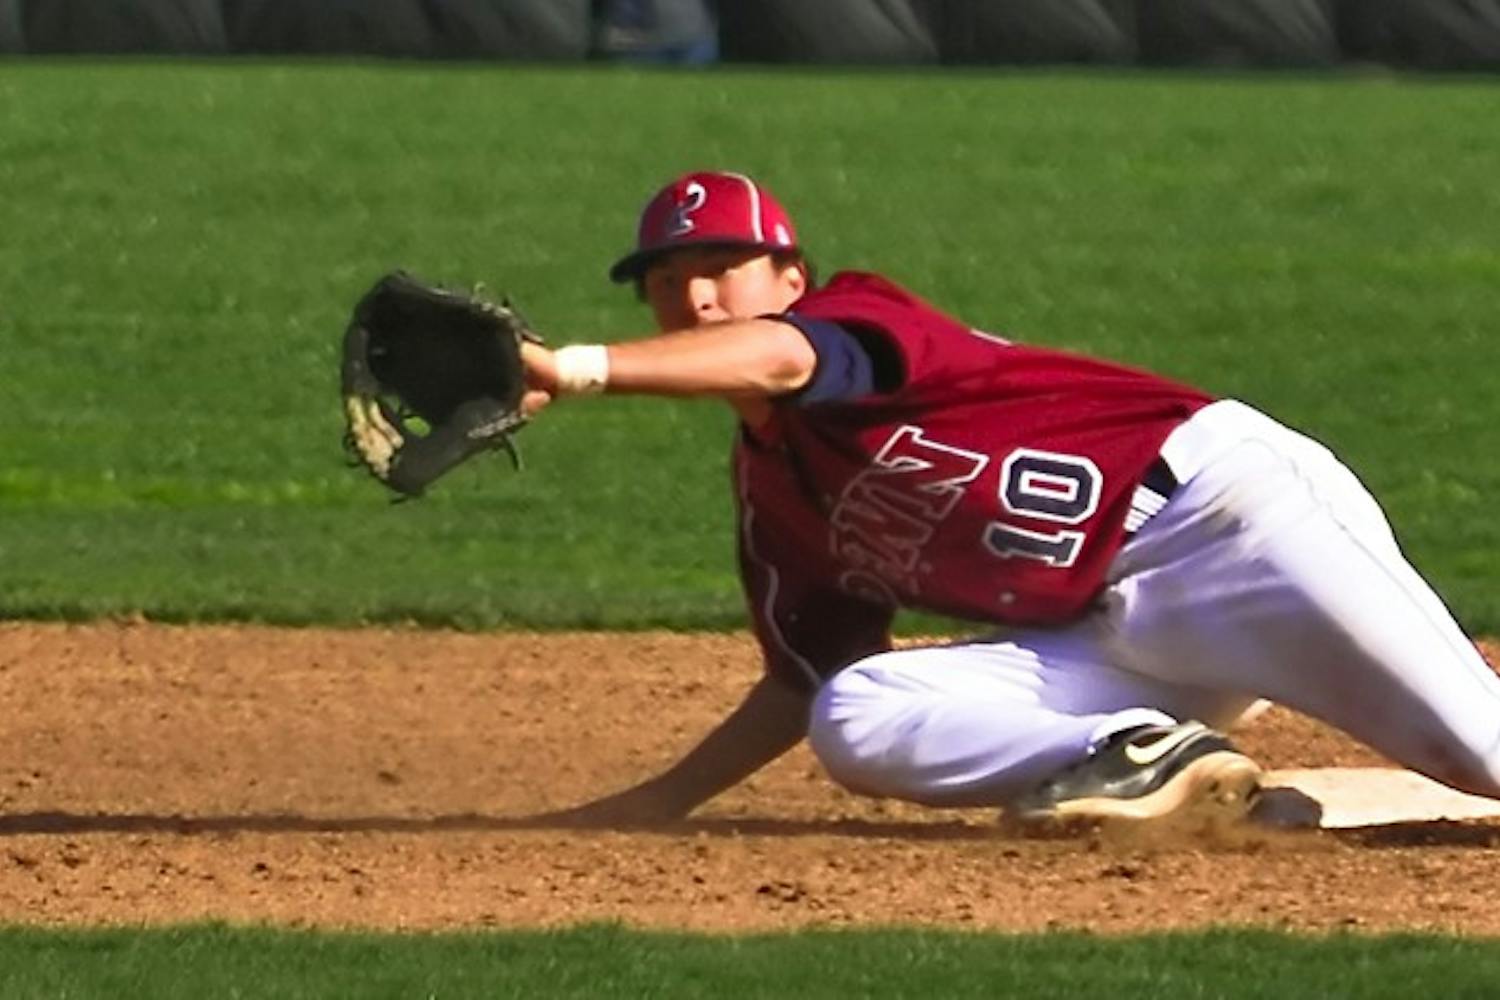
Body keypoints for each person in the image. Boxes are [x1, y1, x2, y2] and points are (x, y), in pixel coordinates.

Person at [519, 169, 1500, 828]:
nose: (695, 300)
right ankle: (1147, 759)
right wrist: (656, 803)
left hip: (1227, 528)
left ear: (791, 277)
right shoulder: (773, 492)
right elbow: (802, 679)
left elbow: (783, 357)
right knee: (854, 710)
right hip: (1112, 644)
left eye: (722, 271)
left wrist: (577, 369)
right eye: (668, 281)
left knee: (1484, 757)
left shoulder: (853, 318)